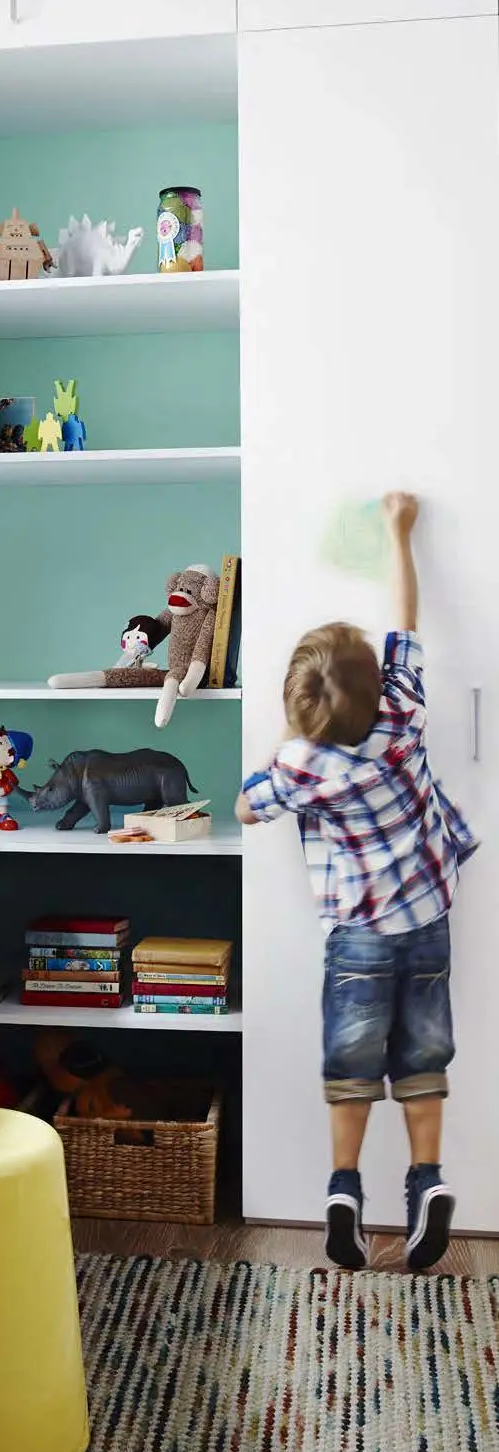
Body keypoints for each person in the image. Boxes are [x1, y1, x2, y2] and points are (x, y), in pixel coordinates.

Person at [235, 493, 477, 1270]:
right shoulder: (402, 714)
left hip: (358, 939)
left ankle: (342, 1191)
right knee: (421, 1059)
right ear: (374, 686)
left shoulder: (303, 767)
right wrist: (395, 531)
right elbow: (405, 623)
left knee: (350, 1066)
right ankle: (427, 1182)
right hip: (428, 921)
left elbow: (244, 808)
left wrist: (290, 739)